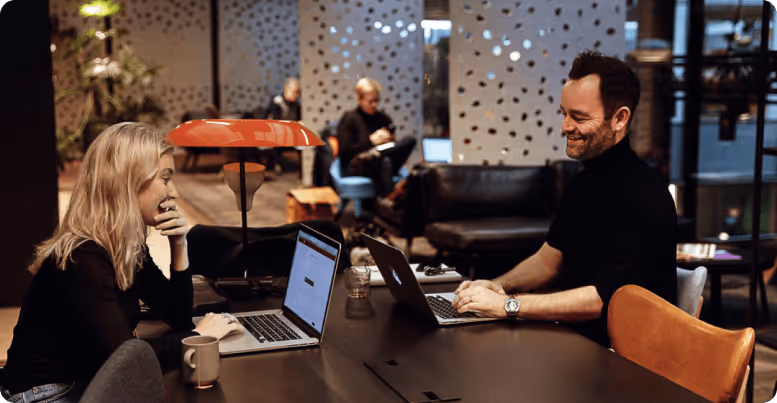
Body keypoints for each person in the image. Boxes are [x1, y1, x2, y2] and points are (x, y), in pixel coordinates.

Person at [452, 50, 677, 348]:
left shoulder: (646, 194)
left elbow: (603, 299)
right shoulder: (582, 183)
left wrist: (509, 306)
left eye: (579, 117)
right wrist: (498, 285)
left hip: (623, 356)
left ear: (620, 119)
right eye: (564, 113)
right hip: (575, 339)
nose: (565, 127)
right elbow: (548, 260)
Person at [0, 123, 236, 403]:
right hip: (46, 392)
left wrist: (179, 245)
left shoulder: (126, 244)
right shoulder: (82, 256)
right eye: (165, 178)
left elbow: (177, 316)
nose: (174, 194)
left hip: (82, 380)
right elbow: (126, 364)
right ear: (128, 181)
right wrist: (198, 335)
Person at [336, 78, 416, 196]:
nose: (375, 104)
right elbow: (345, 152)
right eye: (370, 101)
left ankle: (394, 199)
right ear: (359, 100)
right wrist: (371, 141)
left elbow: (393, 143)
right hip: (357, 165)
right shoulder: (349, 119)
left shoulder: (382, 118)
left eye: (376, 100)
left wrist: (389, 141)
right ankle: (390, 198)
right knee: (383, 161)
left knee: (409, 140)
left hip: (382, 158)